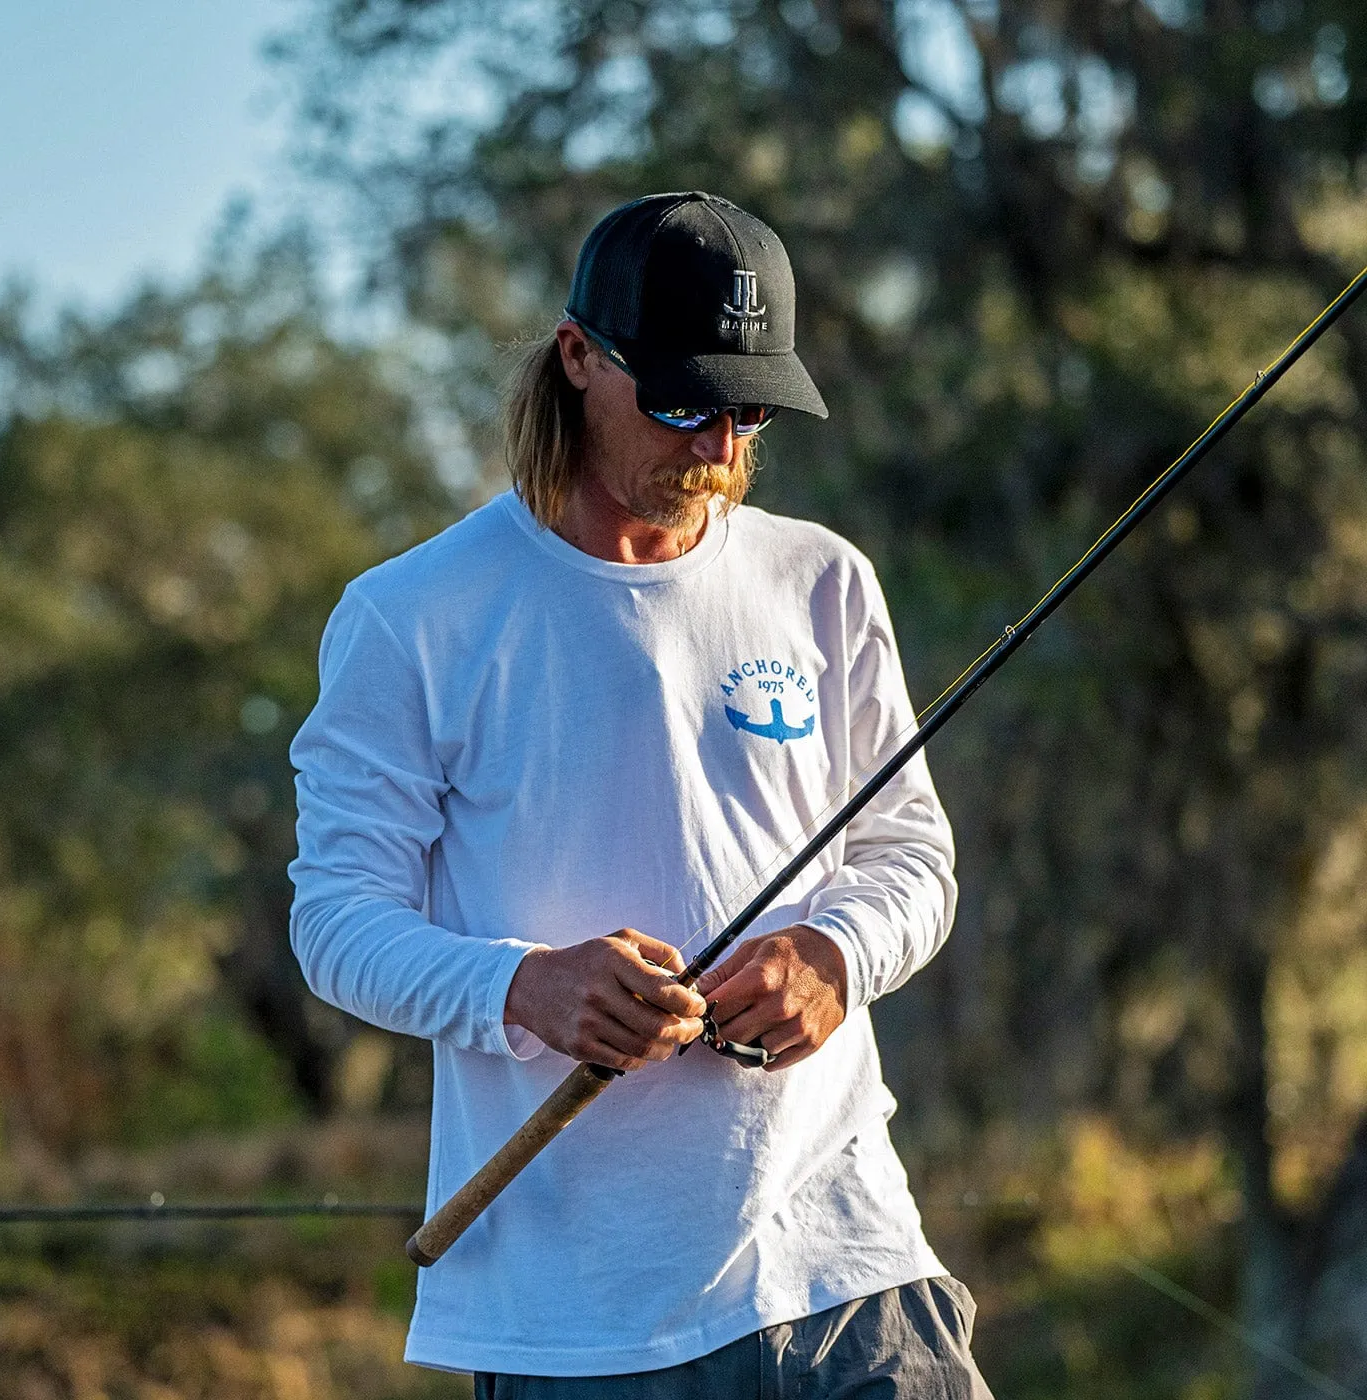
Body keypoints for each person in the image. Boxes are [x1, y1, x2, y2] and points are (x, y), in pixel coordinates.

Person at [289, 191, 991, 1398]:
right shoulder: (411, 616)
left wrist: (834, 954)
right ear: (576, 358)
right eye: (680, 402)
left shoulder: (820, 578)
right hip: (579, 1334)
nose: (717, 447)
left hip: (853, 1275)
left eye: (747, 408)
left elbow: (910, 855)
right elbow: (335, 923)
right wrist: (524, 983)